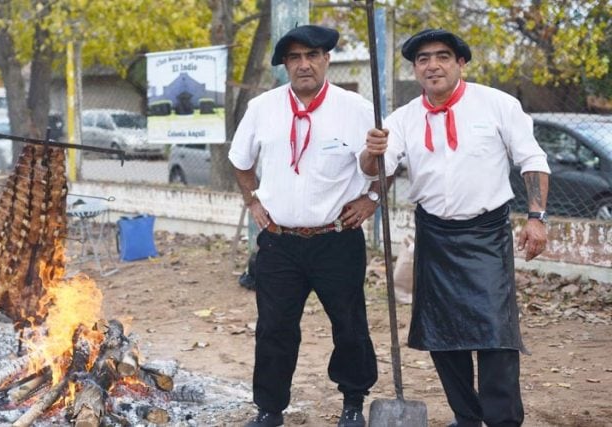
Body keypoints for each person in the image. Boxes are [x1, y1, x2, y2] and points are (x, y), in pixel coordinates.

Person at [360, 29, 551, 427]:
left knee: (495, 336)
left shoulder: (497, 104)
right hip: (434, 235)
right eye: (424, 59)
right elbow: (378, 170)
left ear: (460, 63)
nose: (433, 65)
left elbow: (532, 159)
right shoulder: (402, 119)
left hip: (487, 235)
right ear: (415, 70)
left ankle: (501, 421)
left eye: (443, 56)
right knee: (440, 335)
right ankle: (466, 416)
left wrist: (536, 218)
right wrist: (370, 152)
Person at [229, 24, 381, 427]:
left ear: (326, 59)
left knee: (349, 325)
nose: (303, 65)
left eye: (312, 56)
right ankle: (270, 409)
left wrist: (372, 199)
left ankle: (352, 403)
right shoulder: (263, 108)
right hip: (279, 242)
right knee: (274, 329)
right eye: (294, 58)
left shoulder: (355, 108)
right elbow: (239, 160)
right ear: (285, 66)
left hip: (337, 239)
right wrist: (253, 201)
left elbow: (388, 161)